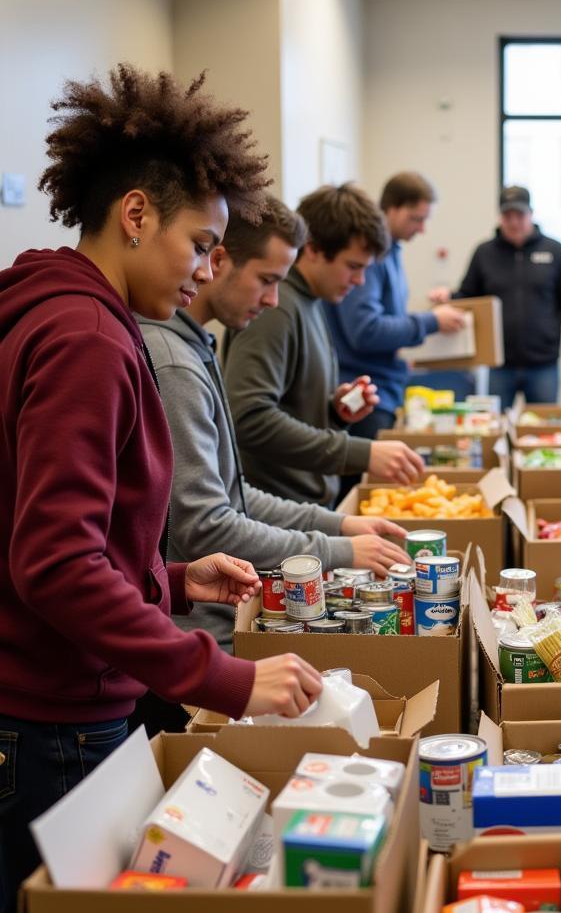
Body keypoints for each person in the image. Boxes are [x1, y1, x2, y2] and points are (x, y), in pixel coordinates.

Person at [0, 65, 323, 913]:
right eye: (200, 242)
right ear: (136, 215)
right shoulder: (90, 342)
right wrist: (220, 676)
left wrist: (173, 579)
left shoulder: (59, 313)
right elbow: (55, 564)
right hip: (50, 722)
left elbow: (68, 532)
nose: (205, 268)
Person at [140, 196, 412, 650]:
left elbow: (236, 495)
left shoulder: (197, 345)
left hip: (234, 592)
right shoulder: (176, 360)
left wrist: (337, 525)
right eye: (266, 280)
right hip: (200, 624)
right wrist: (335, 545)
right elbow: (210, 521)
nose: (271, 298)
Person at [223, 182, 425, 508]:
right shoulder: (275, 308)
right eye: (353, 267)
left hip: (305, 504)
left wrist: (334, 411)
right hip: (280, 513)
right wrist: (359, 451)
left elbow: (289, 406)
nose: (359, 281)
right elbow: (249, 418)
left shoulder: (312, 300)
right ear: (313, 249)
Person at [324, 171, 468, 449]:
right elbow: (365, 330)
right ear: (391, 208)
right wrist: (431, 322)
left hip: (380, 387)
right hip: (363, 395)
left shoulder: (391, 252)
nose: (422, 229)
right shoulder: (373, 257)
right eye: (416, 218)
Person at [430, 185, 561, 410]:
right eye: (507, 215)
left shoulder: (555, 251)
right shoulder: (484, 253)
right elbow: (468, 295)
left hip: (543, 365)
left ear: (531, 214)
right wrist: (449, 297)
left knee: (540, 431)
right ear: (500, 216)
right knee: (494, 431)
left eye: (519, 215)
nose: (514, 222)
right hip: (498, 366)